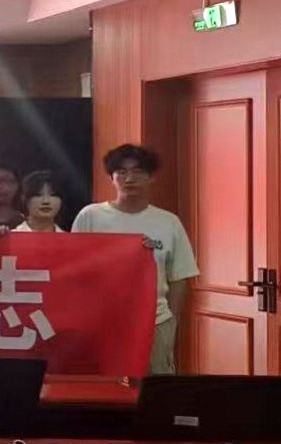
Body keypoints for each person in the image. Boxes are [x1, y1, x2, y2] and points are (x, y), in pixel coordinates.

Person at [72, 144, 198, 375]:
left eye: (138, 171)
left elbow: (180, 277)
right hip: (102, 323)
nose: (129, 179)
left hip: (155, 322)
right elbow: (74, 269)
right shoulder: (90, 216)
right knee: (106, 385)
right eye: (121, 172)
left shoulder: (168, 222)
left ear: (151, 177)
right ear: (111, 177)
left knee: (155, 386)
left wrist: (170, 322)